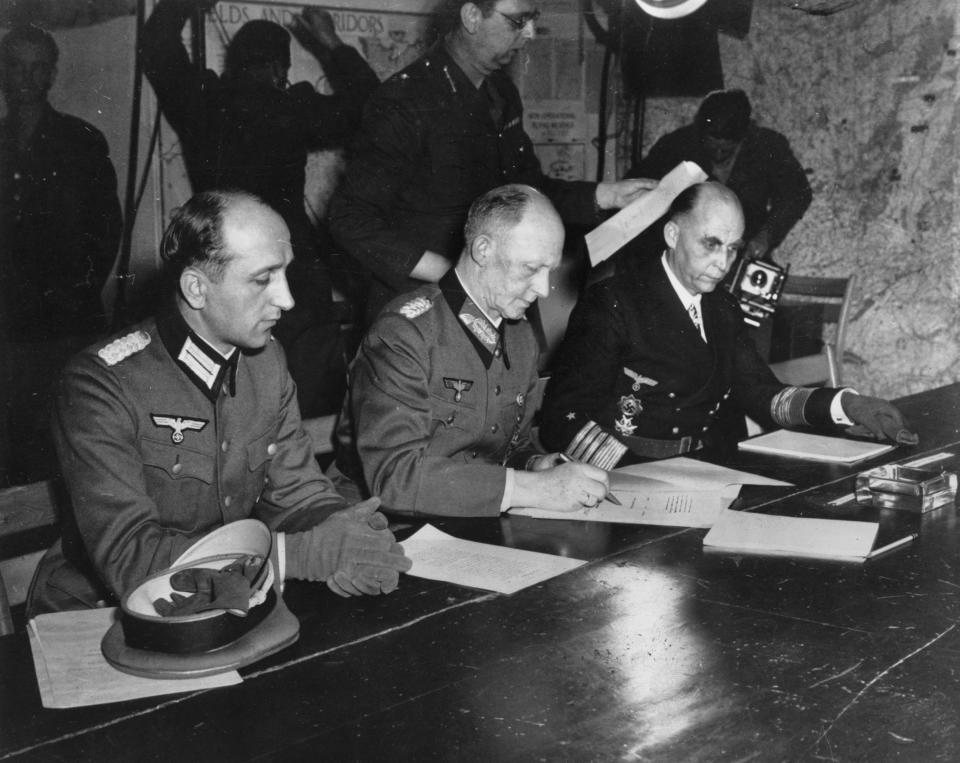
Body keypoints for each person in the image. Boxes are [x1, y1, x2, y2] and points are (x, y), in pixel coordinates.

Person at [26, 191, 411, 617]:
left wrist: (347, 530)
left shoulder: (266, 362)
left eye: (286, 274)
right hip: (99, 615)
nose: (287, 299)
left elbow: (297, 493)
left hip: (231, 603)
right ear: (196, 288)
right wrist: (298, 556)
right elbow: (130, 556)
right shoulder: (100, 384)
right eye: (263, 279)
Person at [538, 182, 916, 467]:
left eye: (732, 248)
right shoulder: (614, 302)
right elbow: (563, 418)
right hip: (634, 471)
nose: (724, 262)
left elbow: (762, 393)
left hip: (713, 465)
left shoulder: (723, 307)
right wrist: (632, 475)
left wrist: (844, 404)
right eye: (711, 244)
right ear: (672, 235)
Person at [328, 0, 655, 325]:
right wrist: (452, 275)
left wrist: (608, 195)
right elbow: (350, 218)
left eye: (532, 19)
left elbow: (527, 194)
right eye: (518, 20)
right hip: (427, 313)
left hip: (503, 299)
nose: (529, 33)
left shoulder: (501, 93)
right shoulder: (405, 100)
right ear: (471, 16)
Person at [141, 0, 380, 416]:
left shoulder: (202, 102)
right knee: (307, 396)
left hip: (221, 265)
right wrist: (330, 43)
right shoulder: (292, 107)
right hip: (293, 271)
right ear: (279, 68)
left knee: (229, 397)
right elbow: (371, 104)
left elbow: (157, 42)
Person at [330, 184, 610, 517]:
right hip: (379, 521)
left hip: (472, 518)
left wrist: (536, 465)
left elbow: (506, 452)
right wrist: (534, 488)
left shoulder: (520, 337)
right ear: (483, 250)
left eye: (548, 271)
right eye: (531, 269)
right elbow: (395, 479)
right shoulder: (405, 334)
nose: (543, 289)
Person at [0, 24, 122, 484]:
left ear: (51, 75)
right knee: (16, 450)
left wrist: (78, 295)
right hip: (10, 328)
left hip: (65, 326)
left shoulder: (80, 143)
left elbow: (106, 231)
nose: (27, 79)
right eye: (16, 67)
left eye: (37, 68)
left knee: (69, 442)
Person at [628, 89, 811, 263]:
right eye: (712, 143)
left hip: (741, 255)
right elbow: (636, 189)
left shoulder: (767, 147)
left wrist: (767, 235)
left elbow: (796, 193)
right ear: (700, 131)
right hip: (682, 255)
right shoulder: (676, 146)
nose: (718, 153)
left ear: (744, 135)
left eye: (727, 148)